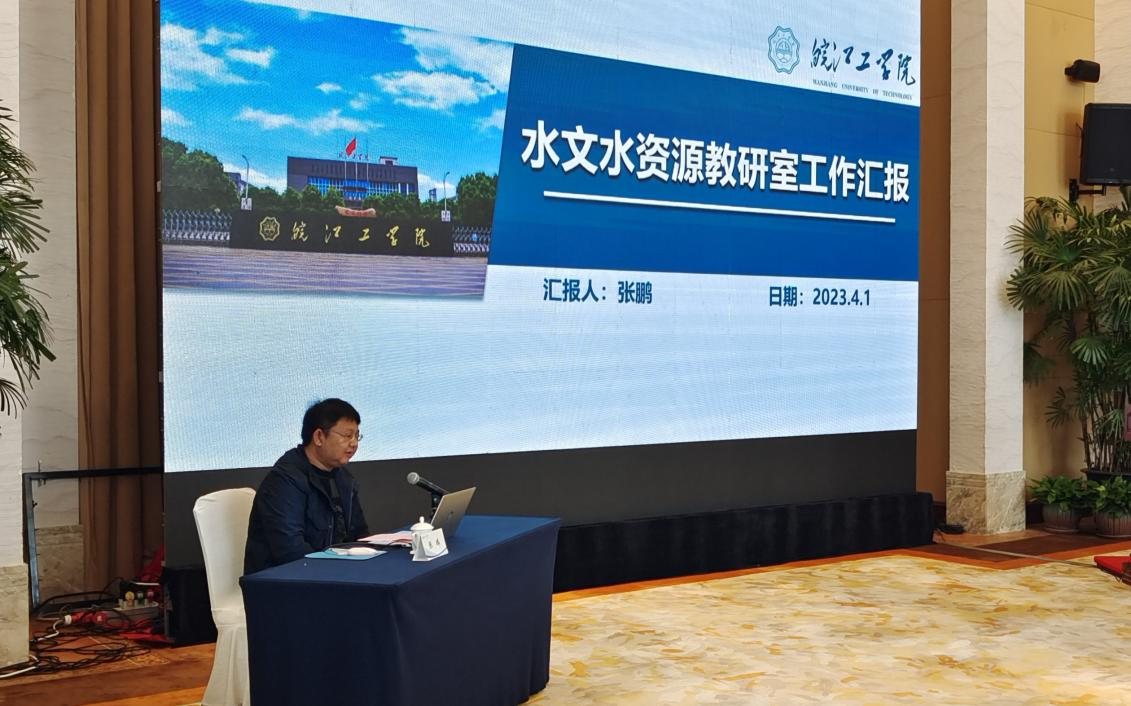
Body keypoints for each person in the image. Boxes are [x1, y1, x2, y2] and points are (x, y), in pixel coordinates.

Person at [244, 398, 370, 574]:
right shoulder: (284, 481)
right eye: (347, 436)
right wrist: (338, 570)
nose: (354, 443)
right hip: (285, 579)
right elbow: (290, 551)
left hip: (328, 572)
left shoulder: (343, 478)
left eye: (357, 436)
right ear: (319, 437)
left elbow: (360, 534)